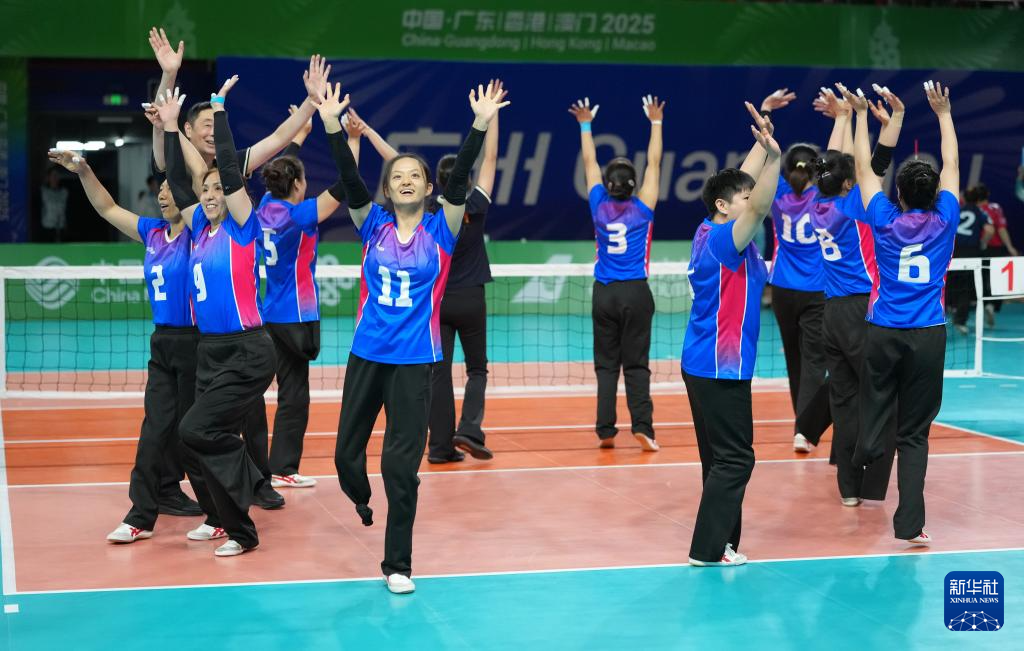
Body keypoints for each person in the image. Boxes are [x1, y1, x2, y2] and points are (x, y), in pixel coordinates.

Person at [321, 80, 508, 594]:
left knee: (399, 467)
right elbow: (348, 177)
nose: (405, 181)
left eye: (414, 176)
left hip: (415, 361)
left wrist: (480, 123)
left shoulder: (442, 229)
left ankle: (397, 564)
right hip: (366, 355)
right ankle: (361, 501)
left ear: (428, 189)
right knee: (346, 457)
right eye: (397, 176)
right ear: (387, 189)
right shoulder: (372, 225)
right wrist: (333, 125)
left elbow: (461, 178)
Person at [345, 81, 506, 464]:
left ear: (433, 183)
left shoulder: (428, 212)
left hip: (435, 301)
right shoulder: (471, 206)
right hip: (471, 298)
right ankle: (470, 428)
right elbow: (489, 159)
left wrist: (366, 134)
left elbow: (397, 162)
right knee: (477, 368)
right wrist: (491, 118)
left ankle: (439, 446)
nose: (407, 180)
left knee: (439, 374)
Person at [47, 149, 203, 543]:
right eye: (160, 190)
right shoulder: (152, 232)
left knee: (196, 433)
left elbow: (199, 179)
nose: (162, 195)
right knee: (154, 430)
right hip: (162, 343)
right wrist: (84, 171)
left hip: (198, 344)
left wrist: (173, 130)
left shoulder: (199, 231)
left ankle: (223, 508)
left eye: (170, 189)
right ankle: (140, 515)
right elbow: (107, 208)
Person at [840, 80, 961, 546]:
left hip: (884, 330)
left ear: (900, 194)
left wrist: (860, 118)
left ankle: (867, 448)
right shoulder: (945, 219)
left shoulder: (884, 219)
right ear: (935, 194)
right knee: (914, 435)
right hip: (927, 335)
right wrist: (944, 114)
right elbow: (951, 164)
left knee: (874, 399)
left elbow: (864, 169)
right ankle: (910, 525)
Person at [160, 83, 277, 556]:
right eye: (204, 190)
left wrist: (221, 112)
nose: (210, 195)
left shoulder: (242, 227)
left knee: (195, 430)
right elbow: (176, 177)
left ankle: (252, 481)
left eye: (216, 190)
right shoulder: (199, 230)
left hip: (247, 350)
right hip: (209, 351)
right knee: (194, 441)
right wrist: (171, 127)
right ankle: (231, 525)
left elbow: (229, 170)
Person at [682, 103, 780, 567]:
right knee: (737, 460)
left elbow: (741, 186)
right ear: (724, 207)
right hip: (723, 367)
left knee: (718, 460)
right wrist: (776, 157)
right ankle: (706, 549)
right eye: (741, 198)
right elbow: (757, 204)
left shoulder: (708, 229)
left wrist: (760, 146)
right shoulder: (726, 242)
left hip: (701, 363)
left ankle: (723, 544)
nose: (750, 199)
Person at [808, 87, 900, 507]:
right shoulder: (854, 206)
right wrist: (859, 117)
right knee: (882, 395)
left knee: (844, 402)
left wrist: (840, 119)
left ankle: (848, 487)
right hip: (863, 309)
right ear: (849, 183)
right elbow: (862, 163)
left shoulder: (816, 203)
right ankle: (872, 480)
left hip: (830, 313)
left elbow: (831, 164)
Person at [258, 108, 359, 488]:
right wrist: (352, 140)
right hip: (297, 318)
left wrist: (299, 135)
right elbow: (347, 181)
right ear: (298, 184)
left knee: (254, 392)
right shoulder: (301, 215)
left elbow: (281, 173)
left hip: (267, 316)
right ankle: (283, 467)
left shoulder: (263, 208)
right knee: (294, 395)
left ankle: (254, 464)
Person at [569, 94, 664, 451]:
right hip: (636, 292)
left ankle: (606, 429)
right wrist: (656, 122)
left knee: (606, 366)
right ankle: (643, 427)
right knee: (637, 366)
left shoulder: (598, 205)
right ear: (633, 185)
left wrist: (585, 125)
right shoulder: (644, 208)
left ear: (607, 185)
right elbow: (654, 162)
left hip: (605, 293)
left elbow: (589, 161)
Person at [763, 91, 832, 454]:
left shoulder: (777, 195)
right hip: (816, 290)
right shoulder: (821, 197)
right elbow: (838, 161)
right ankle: (804, 430)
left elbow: (767, 154)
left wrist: (766, 112)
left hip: (782, 290)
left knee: (795, 360)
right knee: (815, 362)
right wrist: (842, 118)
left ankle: (801, 426)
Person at [970, 183, 1018, 324]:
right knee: (997, 280)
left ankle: (980, 304)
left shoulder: (972, 209)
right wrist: (1010, 247)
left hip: (978, 249)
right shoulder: (995, 208)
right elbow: (1001, 229)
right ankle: (992, 305)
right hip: (996, 250)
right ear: (988, 195)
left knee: (981, 278)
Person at [949, 186, 993, 335]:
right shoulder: (980, 212)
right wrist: (983, 243)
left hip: (955, 251)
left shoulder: (957, 210)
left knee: (950, 283)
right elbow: (990, 230)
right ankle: (960, 320)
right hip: (971, 253)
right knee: (966, 287)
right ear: (978, 199)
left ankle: (946, 311)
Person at [40, 165, 68, 242]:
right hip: (47, 227)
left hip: (61, 228)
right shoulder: (43, 191)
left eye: (57, 175)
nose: (55, 178)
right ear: (48, 177)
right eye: (53, 175)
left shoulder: (64, 192)